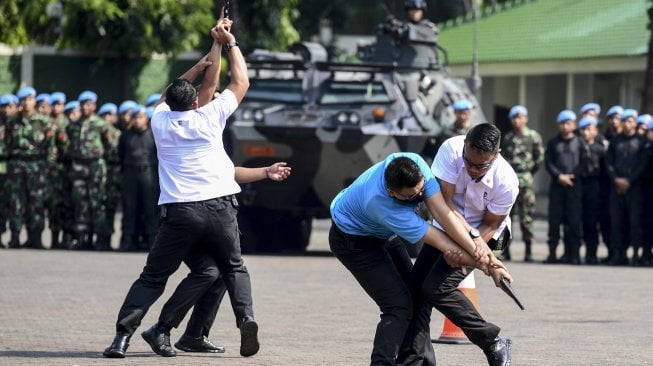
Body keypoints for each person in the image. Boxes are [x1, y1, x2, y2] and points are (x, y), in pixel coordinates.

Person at [103, 16, 258, 359]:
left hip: (179, 213)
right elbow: (239, 80)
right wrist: (228, 41)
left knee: (158, 277)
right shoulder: (210, 118)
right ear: (196, 102)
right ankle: (245, 316)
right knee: (231, 268)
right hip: (219, 209)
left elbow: (171, 92)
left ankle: (122, 338)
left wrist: (207, 53)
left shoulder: (160, 121)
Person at [329, 151, 511, 365]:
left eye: (421, 190)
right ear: (392, 192)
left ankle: (416, 362)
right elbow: (442, 242)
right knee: (398, 305)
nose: (419, 197)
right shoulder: (382, 205)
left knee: (415, 294)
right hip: (355, 243)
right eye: (411, 196)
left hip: (383, 234)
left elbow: (443, 213)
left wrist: (482, 250)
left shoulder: (413, 161)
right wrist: (489, 266)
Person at [399, 123, 517, 366]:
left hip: (488, 236)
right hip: (446, 226)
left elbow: (491, 225)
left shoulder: (507, 182)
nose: (472, 170)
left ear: (497, 155)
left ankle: (492, 342)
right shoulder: (451, 150)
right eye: (469, 162)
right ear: (464, 147)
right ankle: (417, 360)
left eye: (481, 165)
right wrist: (455, 245)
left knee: (435, 288)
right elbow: (444, 205)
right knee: (415, 290)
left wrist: (466, 252)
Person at [173, 162, 292, 354]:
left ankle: (193, 335)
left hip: (201, 217)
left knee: (217, 273)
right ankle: (160, 328)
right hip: (189, 218)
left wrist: (265, 171)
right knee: (216, 270)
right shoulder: (189, 143)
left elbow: (229, 172)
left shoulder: (203, 141)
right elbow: (227, 173)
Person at [5, 86, 56, 249]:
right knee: (16, 203)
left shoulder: (44, 121)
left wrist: (47, 167)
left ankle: (36, 237)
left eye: (30, 99)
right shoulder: (12, 122)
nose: (27, 103)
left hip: (37, 167)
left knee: (36, 203)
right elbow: (5, 144)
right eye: (23, 100)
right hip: (16, 167)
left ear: (34, 101)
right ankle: (15, 237)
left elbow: (51, 149)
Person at [65, 90, 112, 250]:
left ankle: (98, 238)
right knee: (80, 201)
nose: (85, 107)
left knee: (97, 201)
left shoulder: (101, 124)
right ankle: (82, 237)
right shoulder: (73, 126)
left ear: (94, 105)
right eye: (83, 104)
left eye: (89, 104)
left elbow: (109, 145)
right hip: (78, 165)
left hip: (95, 166)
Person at [605, 109, 648, 265]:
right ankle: (619, 254)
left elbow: (642, 165)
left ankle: (636, 255)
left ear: (635, 123)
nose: (626, 124)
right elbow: (608, 164)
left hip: (634, 187)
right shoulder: (615, 142)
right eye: (624, 121)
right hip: (616, 188)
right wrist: (617, 180)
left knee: (634, 222)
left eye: (629, 121)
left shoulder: (642, 143)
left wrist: (629, 180)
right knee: (617, 223)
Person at [501, 105, 544, 262]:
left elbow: (539, 158)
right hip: (509, 184)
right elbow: (503, 158)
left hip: (525, 184)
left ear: (525, 118)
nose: (517, 121)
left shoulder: (533, 137)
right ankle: (505, 250)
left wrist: (529, 174)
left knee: (527, 218)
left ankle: (528, 251)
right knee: (506, 218)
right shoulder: (508, 138)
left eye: (520, 117)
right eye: (514, 118)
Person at [544, 110, 584, 264]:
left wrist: (572, 176)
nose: (565, 126)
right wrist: (559, 176)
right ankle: (552, 254)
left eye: (568, 123)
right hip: (557, 187)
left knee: (574, 223)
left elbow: (584, 162)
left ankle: (573, 255)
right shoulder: (553, 143)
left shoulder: (579, 142)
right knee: (554, 222)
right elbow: (548, 162)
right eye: (562, 123)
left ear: (573, 125)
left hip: (574, 186)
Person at [117, 105, 159, 251]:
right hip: (130, 173)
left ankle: (152, 242)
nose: (137, 121)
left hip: (149, 173)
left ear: (146, 119)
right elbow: (121, 154)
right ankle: (128, 241)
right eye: (135, 117)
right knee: (130, 208)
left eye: (140, 117)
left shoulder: (153, 134)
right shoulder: (126, 135)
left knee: (150, 209)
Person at [578, 116, 608, 264]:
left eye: (589, 129)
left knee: (592, 221)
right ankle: (575, 253)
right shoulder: (577, 147)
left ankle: (592, 254)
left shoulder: (600, 149)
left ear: (595, 131)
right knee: (579, 221)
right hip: (579, 185)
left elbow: (606, 170)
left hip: (595, 186)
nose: (585, 132)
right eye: (583, 129)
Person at [0, 93, 19, 248]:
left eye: (10, 107)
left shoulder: (17, 125)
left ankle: (15, 236)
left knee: (12, 204)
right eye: (4, 107)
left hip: (12, 170)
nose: (6, 110)